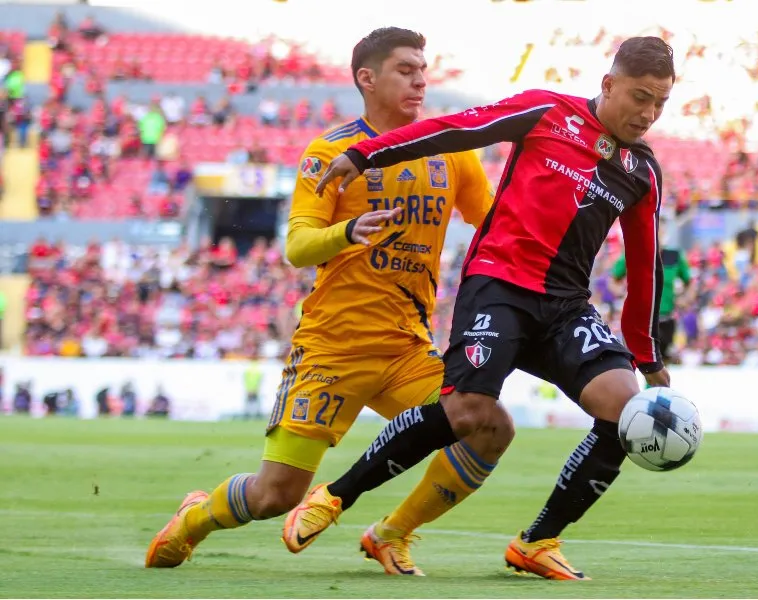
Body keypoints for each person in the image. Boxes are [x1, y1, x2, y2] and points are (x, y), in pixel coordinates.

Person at [293, 36, 675, 580]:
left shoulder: (642, 171)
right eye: (640, 97)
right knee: (468, 411)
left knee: (624, 406)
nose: (648, 114)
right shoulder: (546, 111)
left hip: (565, 306)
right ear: (608, 84)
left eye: (660, 103)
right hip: (498, 284)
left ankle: (537, 542)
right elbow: (454, 129)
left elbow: (646, 269)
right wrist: (364, 153)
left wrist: (647, 355)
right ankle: (334, 497)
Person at [145, 27, 510, 575]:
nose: (420, 79)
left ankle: (392, 533)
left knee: (488, 424)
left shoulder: (451, 152)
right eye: (405, 69)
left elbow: (495, 222)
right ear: (367, 78)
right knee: (277, 496)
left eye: (423, 68)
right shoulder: (331, 152)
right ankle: (196, 517)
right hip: (331, 350)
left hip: (405, 350)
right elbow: (297, 245)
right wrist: (348, 231)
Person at [611, 214, 690, 361]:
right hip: (639, 318)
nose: (659, 233)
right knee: (638, 359)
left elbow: (689, 282)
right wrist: (621, 294)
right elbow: (614, 279)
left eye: (662, 230)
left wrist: (684, 298)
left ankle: (657, 385)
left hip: (665, 318)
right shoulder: (634, 252)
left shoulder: (674, 256)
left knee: (662, 360)